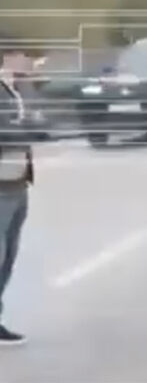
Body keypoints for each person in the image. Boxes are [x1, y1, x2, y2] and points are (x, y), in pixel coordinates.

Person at [0, 39, 38, 347]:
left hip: (16, 180)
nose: (29, 63)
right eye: (25, 56)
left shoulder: (13, 89)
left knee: (8, 255)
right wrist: (28, 129)